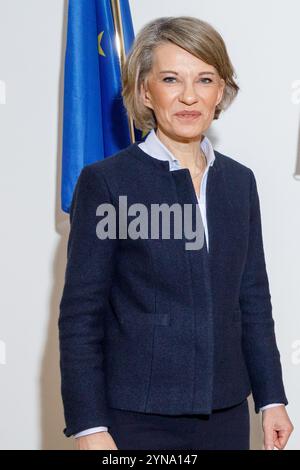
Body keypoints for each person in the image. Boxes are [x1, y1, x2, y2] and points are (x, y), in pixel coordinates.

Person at [58, 16, 294, 450]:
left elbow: (253, 299)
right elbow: (81, 316)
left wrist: (271, 398)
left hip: (225, 414)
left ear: (220, 91)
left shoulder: (240, 183)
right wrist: (90, 426)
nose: (189, 95)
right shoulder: (107, 182)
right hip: (136, 419)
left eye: (204, 79)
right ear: (146, 90)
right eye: (171, 79)